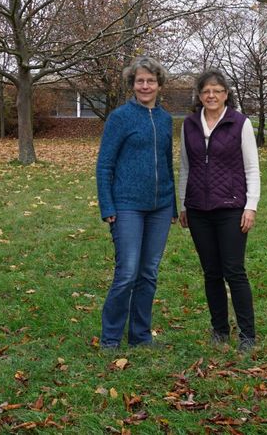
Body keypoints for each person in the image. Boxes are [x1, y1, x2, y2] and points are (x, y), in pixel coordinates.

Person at [95, 56, 177, 349]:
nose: (145, 85)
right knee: (127, 272)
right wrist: (108, 206)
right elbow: (105, 165)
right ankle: (111, 338)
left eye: (150, 81)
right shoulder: (120, 118)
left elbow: (167, 163)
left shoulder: (166, 119)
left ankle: (140, 336)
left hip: (160, 207)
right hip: (127, 205)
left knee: (148, 273)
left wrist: (173, 207)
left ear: (159, 85)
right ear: (132, 84)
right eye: (140, 81)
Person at [178, 69, 261, 352]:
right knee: (211, 272)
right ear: (199, 96)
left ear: (226, 94)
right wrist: (183, 204)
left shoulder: (240, 123)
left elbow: (252, 168)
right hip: (198, 209)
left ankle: (247, 335)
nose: (211, 95)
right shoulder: (189, 124)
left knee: (234, 270)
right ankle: (220, 330)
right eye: (206, 91)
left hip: (231, 208)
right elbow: (185, 168)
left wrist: (251, 206)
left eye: (217, 90)